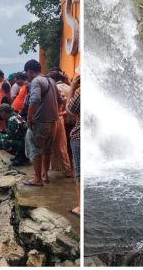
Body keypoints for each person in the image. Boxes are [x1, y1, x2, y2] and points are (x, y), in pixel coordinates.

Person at [23, 59, 59, 186]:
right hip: (53, 122)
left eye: (26, 73)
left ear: (30, 71)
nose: (26, 75)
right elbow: (60, 100)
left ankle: (37, 179)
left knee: (35, 149)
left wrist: (29, 117)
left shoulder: (36, 81)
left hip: (40, 122)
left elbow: (35, 98)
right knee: (47, 150)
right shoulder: (51, 81)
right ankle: (45, 175)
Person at [46, 70, 73, 179]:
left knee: (57, 146)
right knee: (65, 146)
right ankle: (69, 168)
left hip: (58, 119)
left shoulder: (54, 89)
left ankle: (62, 168)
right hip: (70, 119)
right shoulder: (69, 88)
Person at [66, 76, 81, 217]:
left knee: (79, 173)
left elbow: (70, 110)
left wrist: (72, 88)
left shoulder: (81, 93)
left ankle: (80, 208)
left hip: (79, 136)